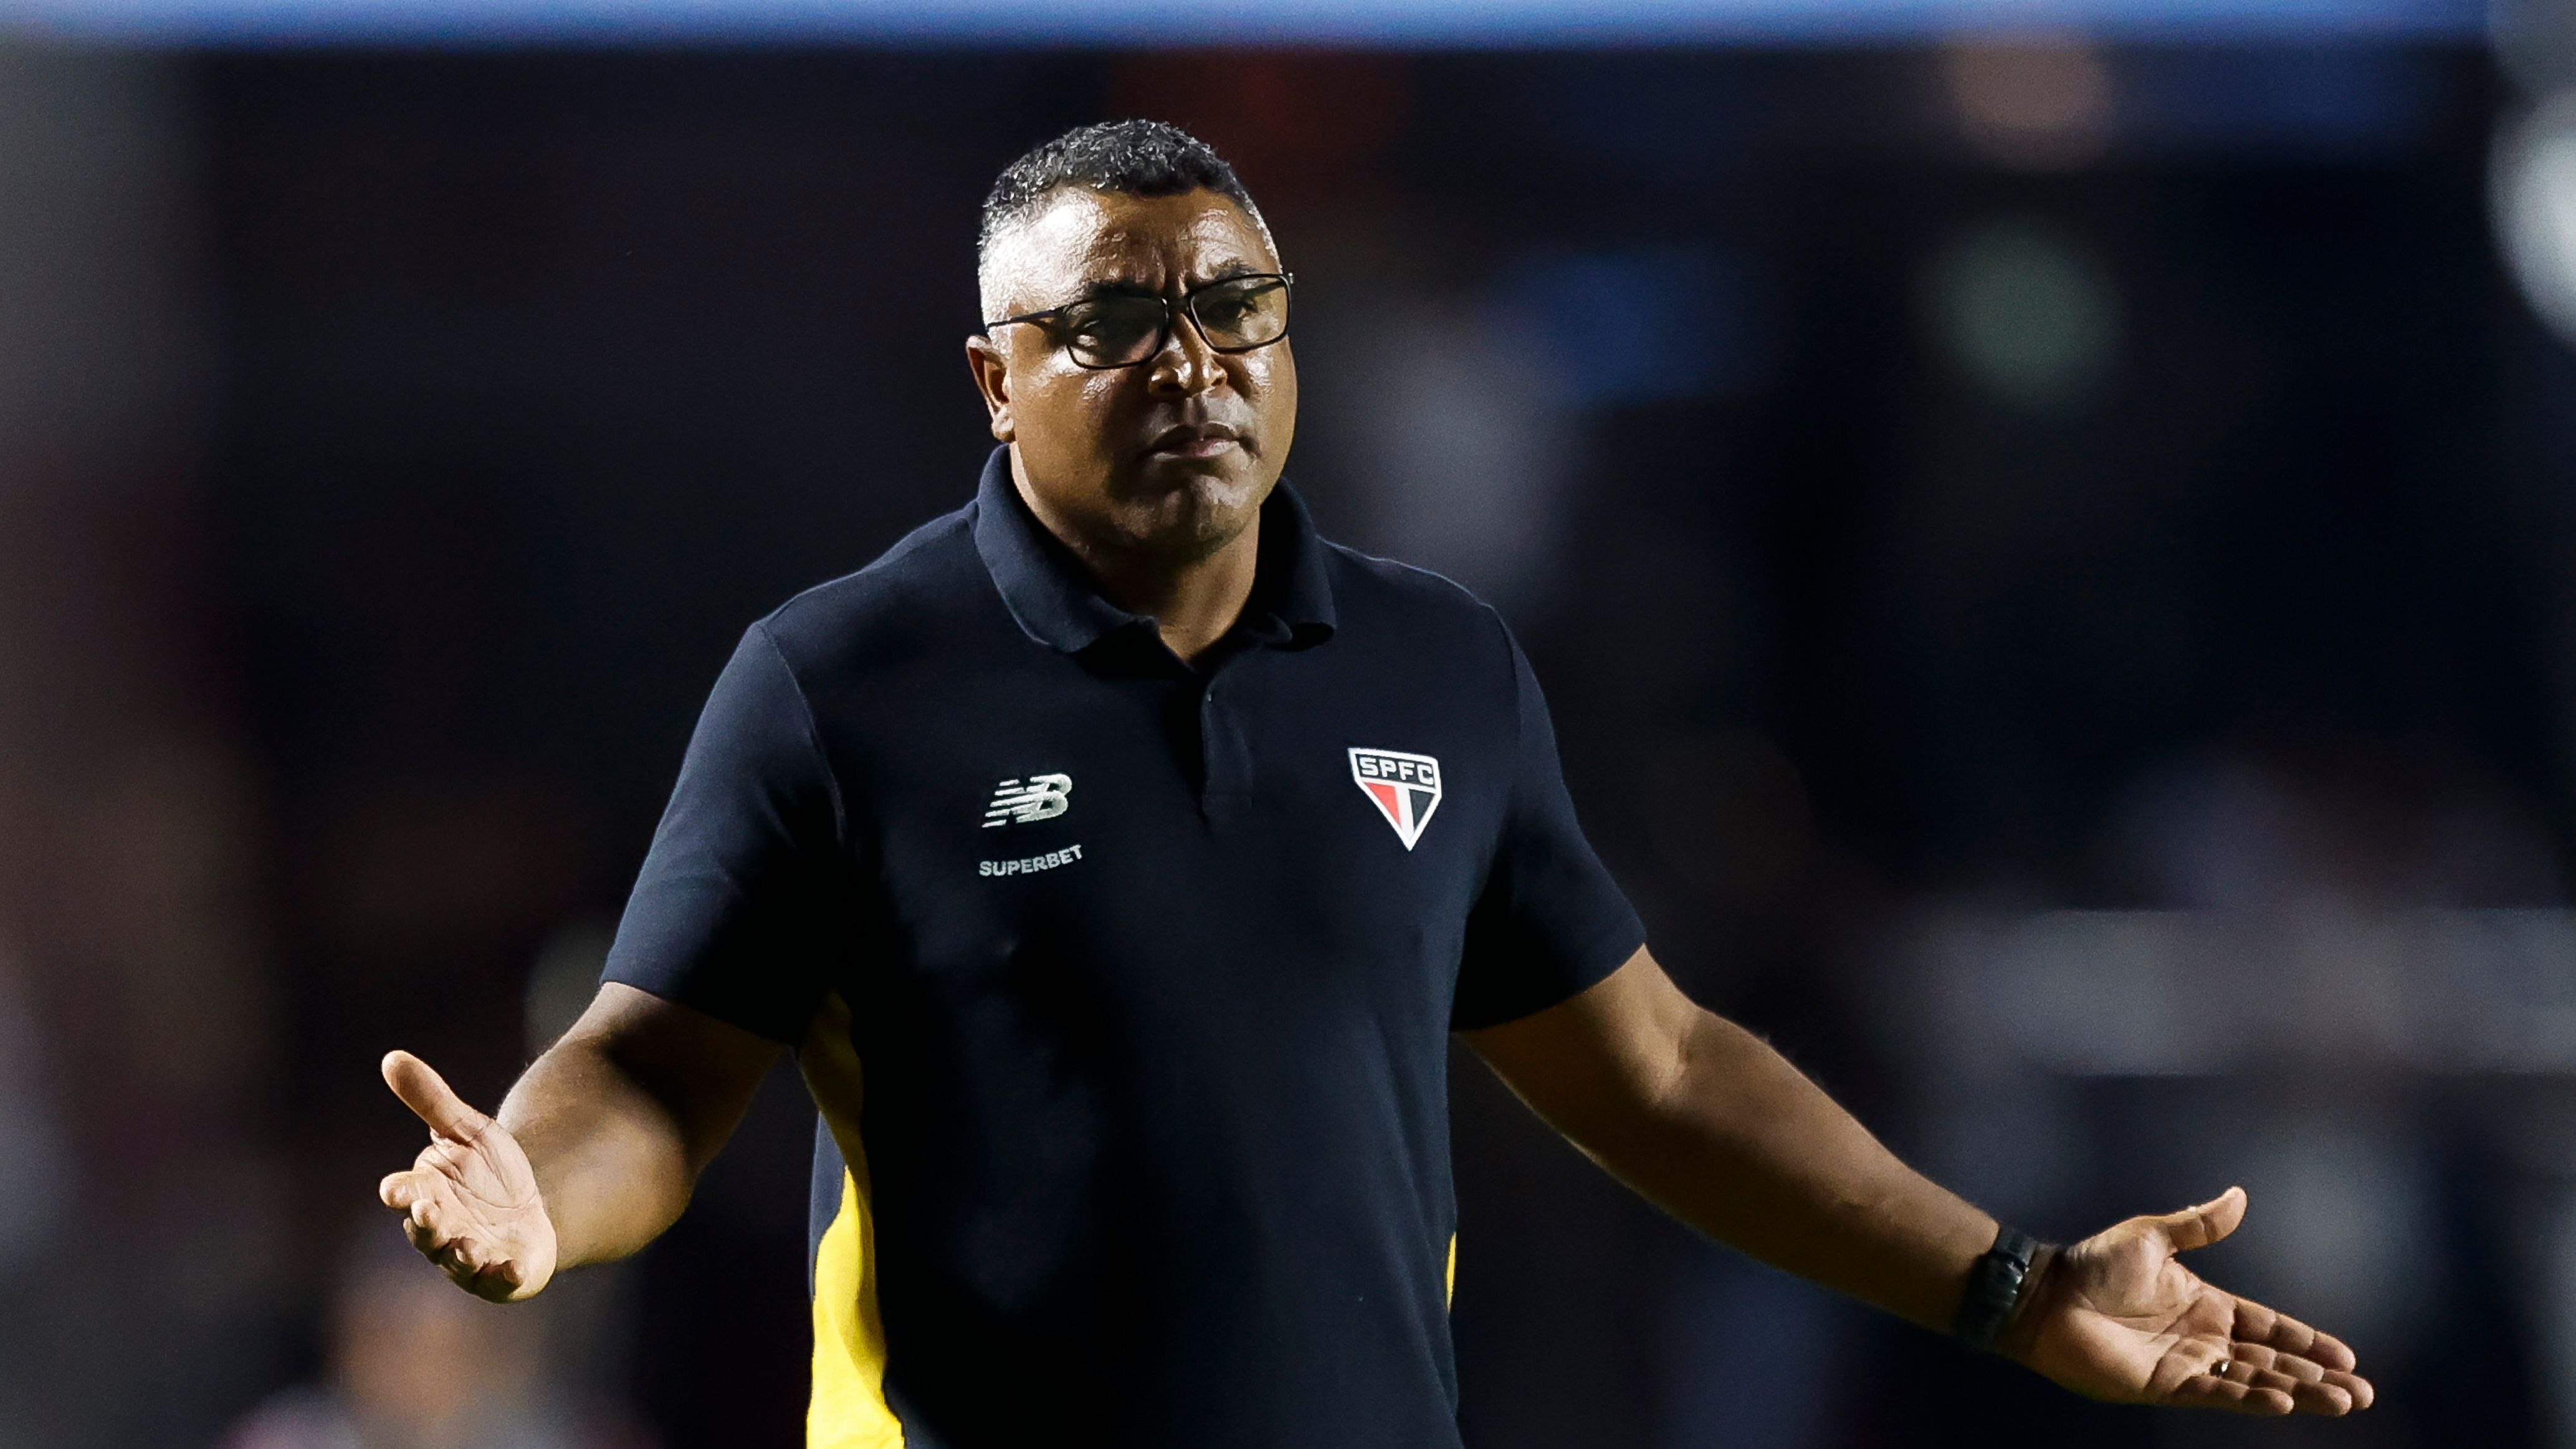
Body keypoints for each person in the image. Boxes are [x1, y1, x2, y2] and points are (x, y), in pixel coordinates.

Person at [377, 120, 2373, 1448]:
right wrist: (539, 1200)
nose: (1191, 362)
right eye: (1112, 322)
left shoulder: (1438, 666)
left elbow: (1660, 1075)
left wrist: (2013, 1285)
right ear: (997, 381)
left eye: (1234, 306)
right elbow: (657, 1072)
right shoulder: (843, 683)